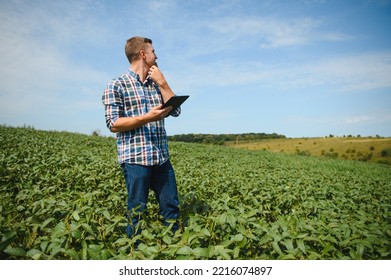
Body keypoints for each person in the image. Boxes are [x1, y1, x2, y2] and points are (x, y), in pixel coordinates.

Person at [102, 36, 181, 237]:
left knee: (171, 206)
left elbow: (176, 111)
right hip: (135, 160)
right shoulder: (116, 84)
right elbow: (113, 123)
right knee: (137, 210)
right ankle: (134, 252)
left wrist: (163, 83)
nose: (157, 55)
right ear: (143, 54)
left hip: (161, 158)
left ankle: (174, 249)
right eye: (153, 51)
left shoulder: (156, 84)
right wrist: (146, 118)